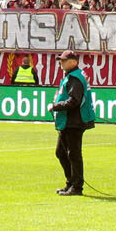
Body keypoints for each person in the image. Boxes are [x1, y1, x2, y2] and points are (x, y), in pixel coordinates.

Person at [49, 49, 95, 196]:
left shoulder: (74, 78)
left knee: (73, 154)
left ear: (74, 62)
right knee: (61, 152)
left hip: (74, 121)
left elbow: (74, 101)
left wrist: (55, 106)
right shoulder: (73, 75)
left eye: (63, 60)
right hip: (69, 120)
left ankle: (76, 186)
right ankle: (71, 183)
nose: (61, 63)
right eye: (60, 60)